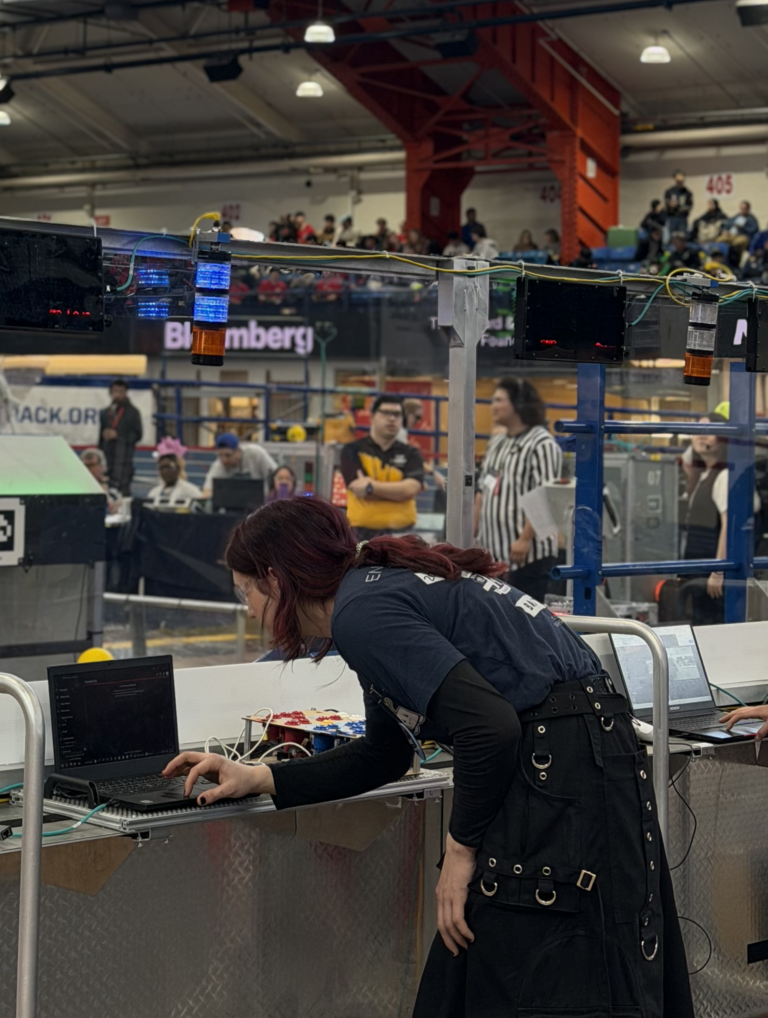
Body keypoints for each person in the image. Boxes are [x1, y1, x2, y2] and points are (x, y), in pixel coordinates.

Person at [162, 496, 694, 1018]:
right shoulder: (375, 594)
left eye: (245, 594)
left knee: (533, 975)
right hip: (585, 761)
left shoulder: (363, 614)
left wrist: (458, 857)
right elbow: (383, 756)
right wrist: (260, 776)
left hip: (560, 779)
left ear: (276, 580)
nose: (250, 612)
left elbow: (490, 726)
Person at [475, 378, 561, 602]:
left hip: (529, 555)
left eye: (499, 400)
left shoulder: (542, 444)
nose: (493, 406)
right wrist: (472, 532)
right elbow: (483, 487)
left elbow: (544, 494)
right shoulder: (497, 442)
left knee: (524, 618)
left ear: (519, 404)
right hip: (493, 552)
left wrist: (524, 539)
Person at [678, 413, 760, 624]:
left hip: (711, 575)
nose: (701, 436)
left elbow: (729, 526)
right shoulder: (702, 474)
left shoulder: (725, 475)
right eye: (697, 431)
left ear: (723, 438)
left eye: (710, 432)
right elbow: (687, 458)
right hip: (698, 571)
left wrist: (718, 571)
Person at [341, 394, 424, 539]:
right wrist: (398, 493)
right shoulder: (352, 450)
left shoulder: (412, 453)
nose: (392, 418)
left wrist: (370, 487)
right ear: (372, 417)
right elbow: (357, 488)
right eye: (385, 413)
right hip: (361, 534)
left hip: (403, 534)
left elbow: (411, 489)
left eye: (397, 414)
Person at [98, 379, 142, 497]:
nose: (117, 394)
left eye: (121, 391)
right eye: (115, 391)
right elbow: (100, 439)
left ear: (125, 393)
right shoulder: (106, 412)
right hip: (108, 457)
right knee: (106, 491)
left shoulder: (133, 412)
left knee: (123, 494)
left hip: (124, 460)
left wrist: (118, 435)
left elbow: (138, 435)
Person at [202, 433, 277, 498]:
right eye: (220, 455)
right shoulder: (218, 465)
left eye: (228, 455)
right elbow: (207, 490)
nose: (224, 460)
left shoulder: (256, 454)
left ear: (238, 450)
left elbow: (276, 474)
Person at [146, 437, 202, 505]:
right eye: (162, 468)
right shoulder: (154, 493)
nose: (165, 471)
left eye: (168, 467)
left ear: (178, 468)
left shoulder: (191, 492)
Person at [80, 447, 121, 514]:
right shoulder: (77, 487)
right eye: (85, 466)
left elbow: (116, 506)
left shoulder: (112, 486)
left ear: (101, 466)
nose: (88, 469)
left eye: (92, 465)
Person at [722, 201, 760, 265]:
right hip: (731, 235)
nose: (743, 210)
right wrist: (725, 230)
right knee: (719, 240)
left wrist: (742, 228)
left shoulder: (751, 219)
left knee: (736, 244)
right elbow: (728, 224)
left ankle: (733, 263)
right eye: (741, 209)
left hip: (743, 236)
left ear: (748, 209)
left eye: (744, 209)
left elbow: (753, 230)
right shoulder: (736, 217)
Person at [663, 170, 693, 235]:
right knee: (671, 237)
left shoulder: (687, 192)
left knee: (682, 236)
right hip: (672, 217)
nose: (679, 182)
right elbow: (667, 203)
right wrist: (670, 204)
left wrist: (683, 208)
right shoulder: (670, 191)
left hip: (682, 218)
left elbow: (690, 205)